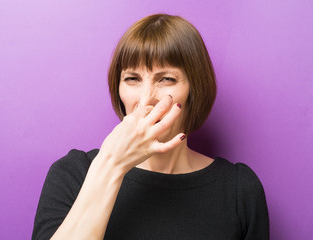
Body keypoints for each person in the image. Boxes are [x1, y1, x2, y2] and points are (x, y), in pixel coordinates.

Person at [32, 14, 269, 240]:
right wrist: (112, 165)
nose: (146, 99)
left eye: (166, 79)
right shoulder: (73, 174)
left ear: (194, 90)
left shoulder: (239, 190)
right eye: (132, 79)